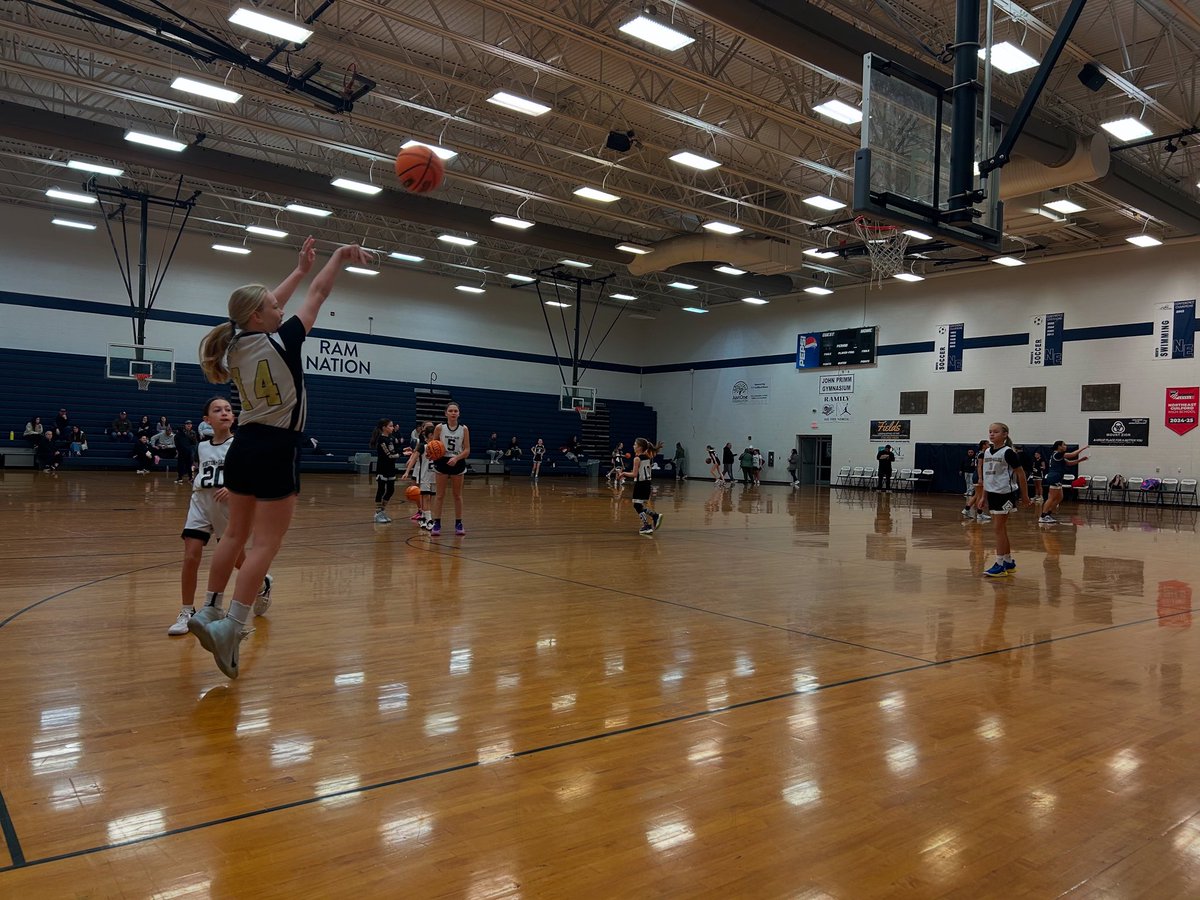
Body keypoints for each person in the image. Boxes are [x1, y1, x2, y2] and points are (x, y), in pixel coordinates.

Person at [188, 236, 372, 678]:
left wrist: (300, 270)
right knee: (265, 545)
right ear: (259, 316)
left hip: (243, 447)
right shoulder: (284, 341)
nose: (281, 307)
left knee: (234, 536)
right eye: (274, 306)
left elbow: (268, 304)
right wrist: (337, 258)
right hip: (277, 448)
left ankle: (209, 609)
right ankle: (233, 626)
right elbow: (319, 295)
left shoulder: (234, 346)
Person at [166, 397, 272, 636]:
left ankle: (262, 583)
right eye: (217, 410)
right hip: (201, 502)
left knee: (237, 561)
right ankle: (187, 611)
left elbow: (259, 473)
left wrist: (235, 487)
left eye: (228, 409)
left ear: (233, 417)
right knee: (190, 556)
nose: (224, 413)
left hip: (229, 506)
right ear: (207, 420)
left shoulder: (241, 444)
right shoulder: (202, 446)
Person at [978, 422, 1033, 577]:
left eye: (995, 432)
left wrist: (1025, 496)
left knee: (998, 529)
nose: (991, 434)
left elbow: (1021, 474)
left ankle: (1000, 565)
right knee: (1000, 529)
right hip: (992, 493)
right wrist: (983, 496)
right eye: (990, 431)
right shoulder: (987, 452)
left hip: (1005, 494)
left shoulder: (1008, 452)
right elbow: (988, 476)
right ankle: (1008, 562)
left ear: (1005, 434)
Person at [430, 401, 471, 537]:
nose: (453, 413)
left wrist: (456, 458)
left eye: (455, 411)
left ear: (459, 414)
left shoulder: (464, 429)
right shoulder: (439, 428)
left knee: (457, 495)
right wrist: (431, 453)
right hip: (442, 461)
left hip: (457, 462)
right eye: (451, 411)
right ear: (446, 413)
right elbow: (433, 445)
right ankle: (437, 523)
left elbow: (467, 450)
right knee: (439, 495)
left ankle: (459, 523)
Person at [1040, 440, 1089, 525]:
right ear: (1059, 446)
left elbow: (1069, 463)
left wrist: (1080, 460)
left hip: (1057, 478)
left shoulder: (1058, 456)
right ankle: (1043, 516)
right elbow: (1072, 454)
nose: (1066, 446)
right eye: (1064, 445)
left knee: (1060, 497)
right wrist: (1083, 448)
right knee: (1051, 498)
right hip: (1054, 477)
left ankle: (1048, 513)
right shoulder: (1057, 454)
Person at [624, 438, 665, 536]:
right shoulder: (648, 457)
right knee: (639, 505)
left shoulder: (637, 459)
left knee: (637, 505)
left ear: (640, 447)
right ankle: (654, 516)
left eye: (635, 444)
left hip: (640, 484)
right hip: (647, 484)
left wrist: (623, 473)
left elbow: (634, 474)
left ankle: (647, 525)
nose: (633, 446)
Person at [401, 421, 436, 529]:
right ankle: (428, 519)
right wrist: (407, 472)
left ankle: (424, 518)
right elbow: (413, 459)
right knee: (425, 497)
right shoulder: (422, 446)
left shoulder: (438, 446)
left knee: (431, 498)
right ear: (430, 435)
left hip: (435, 476)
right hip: (424, 476)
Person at [370, 417, 401, 523]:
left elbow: (394, 451)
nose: (392, 428)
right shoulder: (381, 440)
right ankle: (377, 513)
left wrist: (403, 450)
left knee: (391, 490)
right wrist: (401, 454)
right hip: (382, 468)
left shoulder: (391, 438)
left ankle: (382, 511)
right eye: (390, 426)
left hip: (391, 468)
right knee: (381, 489)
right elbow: (389, 455)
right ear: (384, 428)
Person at [962, 439, 992, 522]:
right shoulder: (981, 454)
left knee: (976, 495)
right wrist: (980, 478)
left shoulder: (979, 453)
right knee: (980, 496)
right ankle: (979, 514)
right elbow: (979, 466)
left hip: (978, 475)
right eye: (988, 444)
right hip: (979, 475)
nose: (989, 445)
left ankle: (966, 510)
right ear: (984, 445)